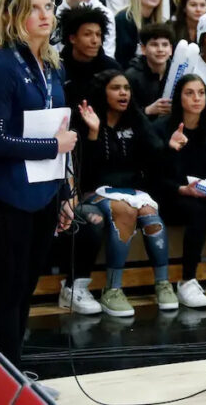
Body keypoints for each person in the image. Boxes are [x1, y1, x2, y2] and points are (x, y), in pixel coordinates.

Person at [0, 0, 77, 369]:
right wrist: (52, 148)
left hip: (43, 195)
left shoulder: (50, 63)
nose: (46, 15)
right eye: (36, 8)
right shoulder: (1, 64)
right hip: (8, 198)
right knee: (6, 294)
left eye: (50, 7)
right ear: (15, 15)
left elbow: (56, 127)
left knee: (25, 288)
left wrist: (62, 193)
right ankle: (6, 381)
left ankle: (13, 375)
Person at [76, 71, 176, 316]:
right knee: (124, 211)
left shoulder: (136, 120)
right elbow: (84, 171)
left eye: (126, 88)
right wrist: (93, 133)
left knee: (152, 216)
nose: (123, 93)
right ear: (103, 92)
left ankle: (163, 283)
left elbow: (156, 156)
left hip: (131, 190)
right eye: (116, 88)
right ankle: (112, 289)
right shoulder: (87, 121)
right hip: (93, 190)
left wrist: (170, 147)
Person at [153, 74, 206, 308]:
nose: (197, 98)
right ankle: (187, 280)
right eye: (190, 93)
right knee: (198, 210)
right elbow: (154, 175)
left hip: (203, 191)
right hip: (170, 194)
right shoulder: (162, 128)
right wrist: (170, 151)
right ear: (179, 98)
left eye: (201, 92)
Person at [58, 6, 121, 114]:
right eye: (87, 34)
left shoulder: (111, 68)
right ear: (72, 38)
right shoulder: (57, 68)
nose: (95, 40)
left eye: (98, 34)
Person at [124, 23, 174, 119]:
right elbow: (124, 114)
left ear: (171, 49)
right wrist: (147, 110)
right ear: (143, 49)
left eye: (164, 45)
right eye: (154, 45)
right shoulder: (131, 77)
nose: (160, 49)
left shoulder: (177, 72)